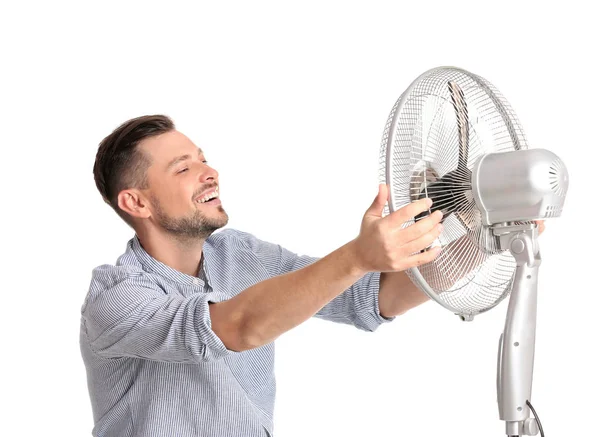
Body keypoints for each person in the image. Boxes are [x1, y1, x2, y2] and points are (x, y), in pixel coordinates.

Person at [80, 114, 544, 437]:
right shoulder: (116, 299)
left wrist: (486, 236)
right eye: (184, 168)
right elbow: (236, 327)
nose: (210, 172)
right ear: (136, 203)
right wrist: (359, 256)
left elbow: (372, 298)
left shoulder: (238, 254)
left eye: (203, 158)